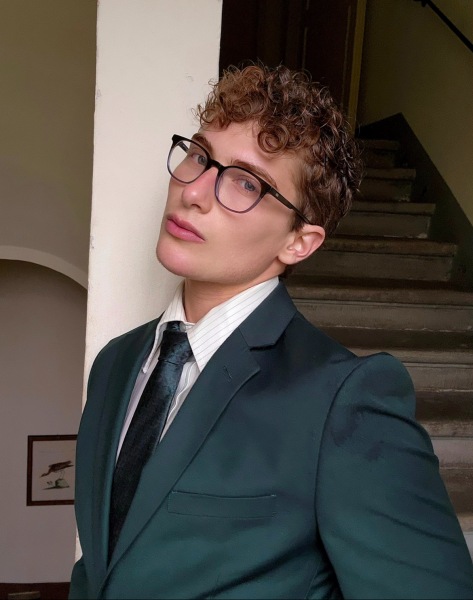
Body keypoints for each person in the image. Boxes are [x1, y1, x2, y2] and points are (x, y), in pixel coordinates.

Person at [70, 64, 473, 599]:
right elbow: (103, 568)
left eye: (247, 183)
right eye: (199, 156)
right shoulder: (115, 363)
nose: (195, 191)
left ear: (299, 242)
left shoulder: (344, 399)